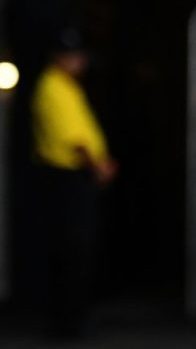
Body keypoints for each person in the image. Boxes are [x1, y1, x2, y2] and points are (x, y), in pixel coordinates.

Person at [29, 27, 117, 338]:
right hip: (65, 178)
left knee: (78, 248)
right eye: (73, 56)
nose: (80, 62)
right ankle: (67, 321)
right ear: (58, 58)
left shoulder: (68, 87)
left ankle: (72, 317)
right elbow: (74, 140)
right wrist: (97, 166)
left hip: (75, 178)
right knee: (71, 248)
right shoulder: (52, 87)